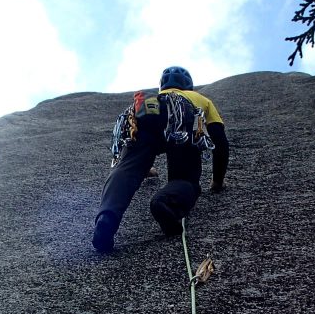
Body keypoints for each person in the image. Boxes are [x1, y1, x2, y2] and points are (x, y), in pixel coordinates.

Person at [93, 66, 229, 253]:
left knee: (125, 170)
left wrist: (142, 168)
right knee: (185, 179)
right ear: (188, 85)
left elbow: (129, 151)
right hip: (181, 115)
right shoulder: (200, 99)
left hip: (143, 118)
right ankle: (165, 202)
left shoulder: (150, 100)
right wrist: (217, 180)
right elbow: (219, 139)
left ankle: (106, 217)